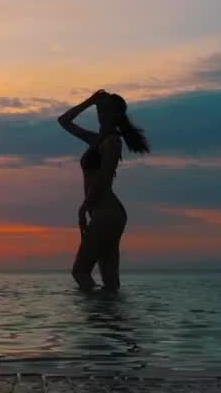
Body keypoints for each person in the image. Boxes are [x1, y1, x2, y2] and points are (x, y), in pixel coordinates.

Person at [57, 89, 150, 291]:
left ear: (116, 115)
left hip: (107, 214)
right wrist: (90, 101)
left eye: (105, 109)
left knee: (80, 271)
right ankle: (110, 321)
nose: (101, 114)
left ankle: (96, 319)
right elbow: (63, 121)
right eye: (99, 110)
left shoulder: (112, 142)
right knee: (110, 282)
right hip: (103, 213)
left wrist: (83, 209)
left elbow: (103, 179)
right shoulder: (96, 140)